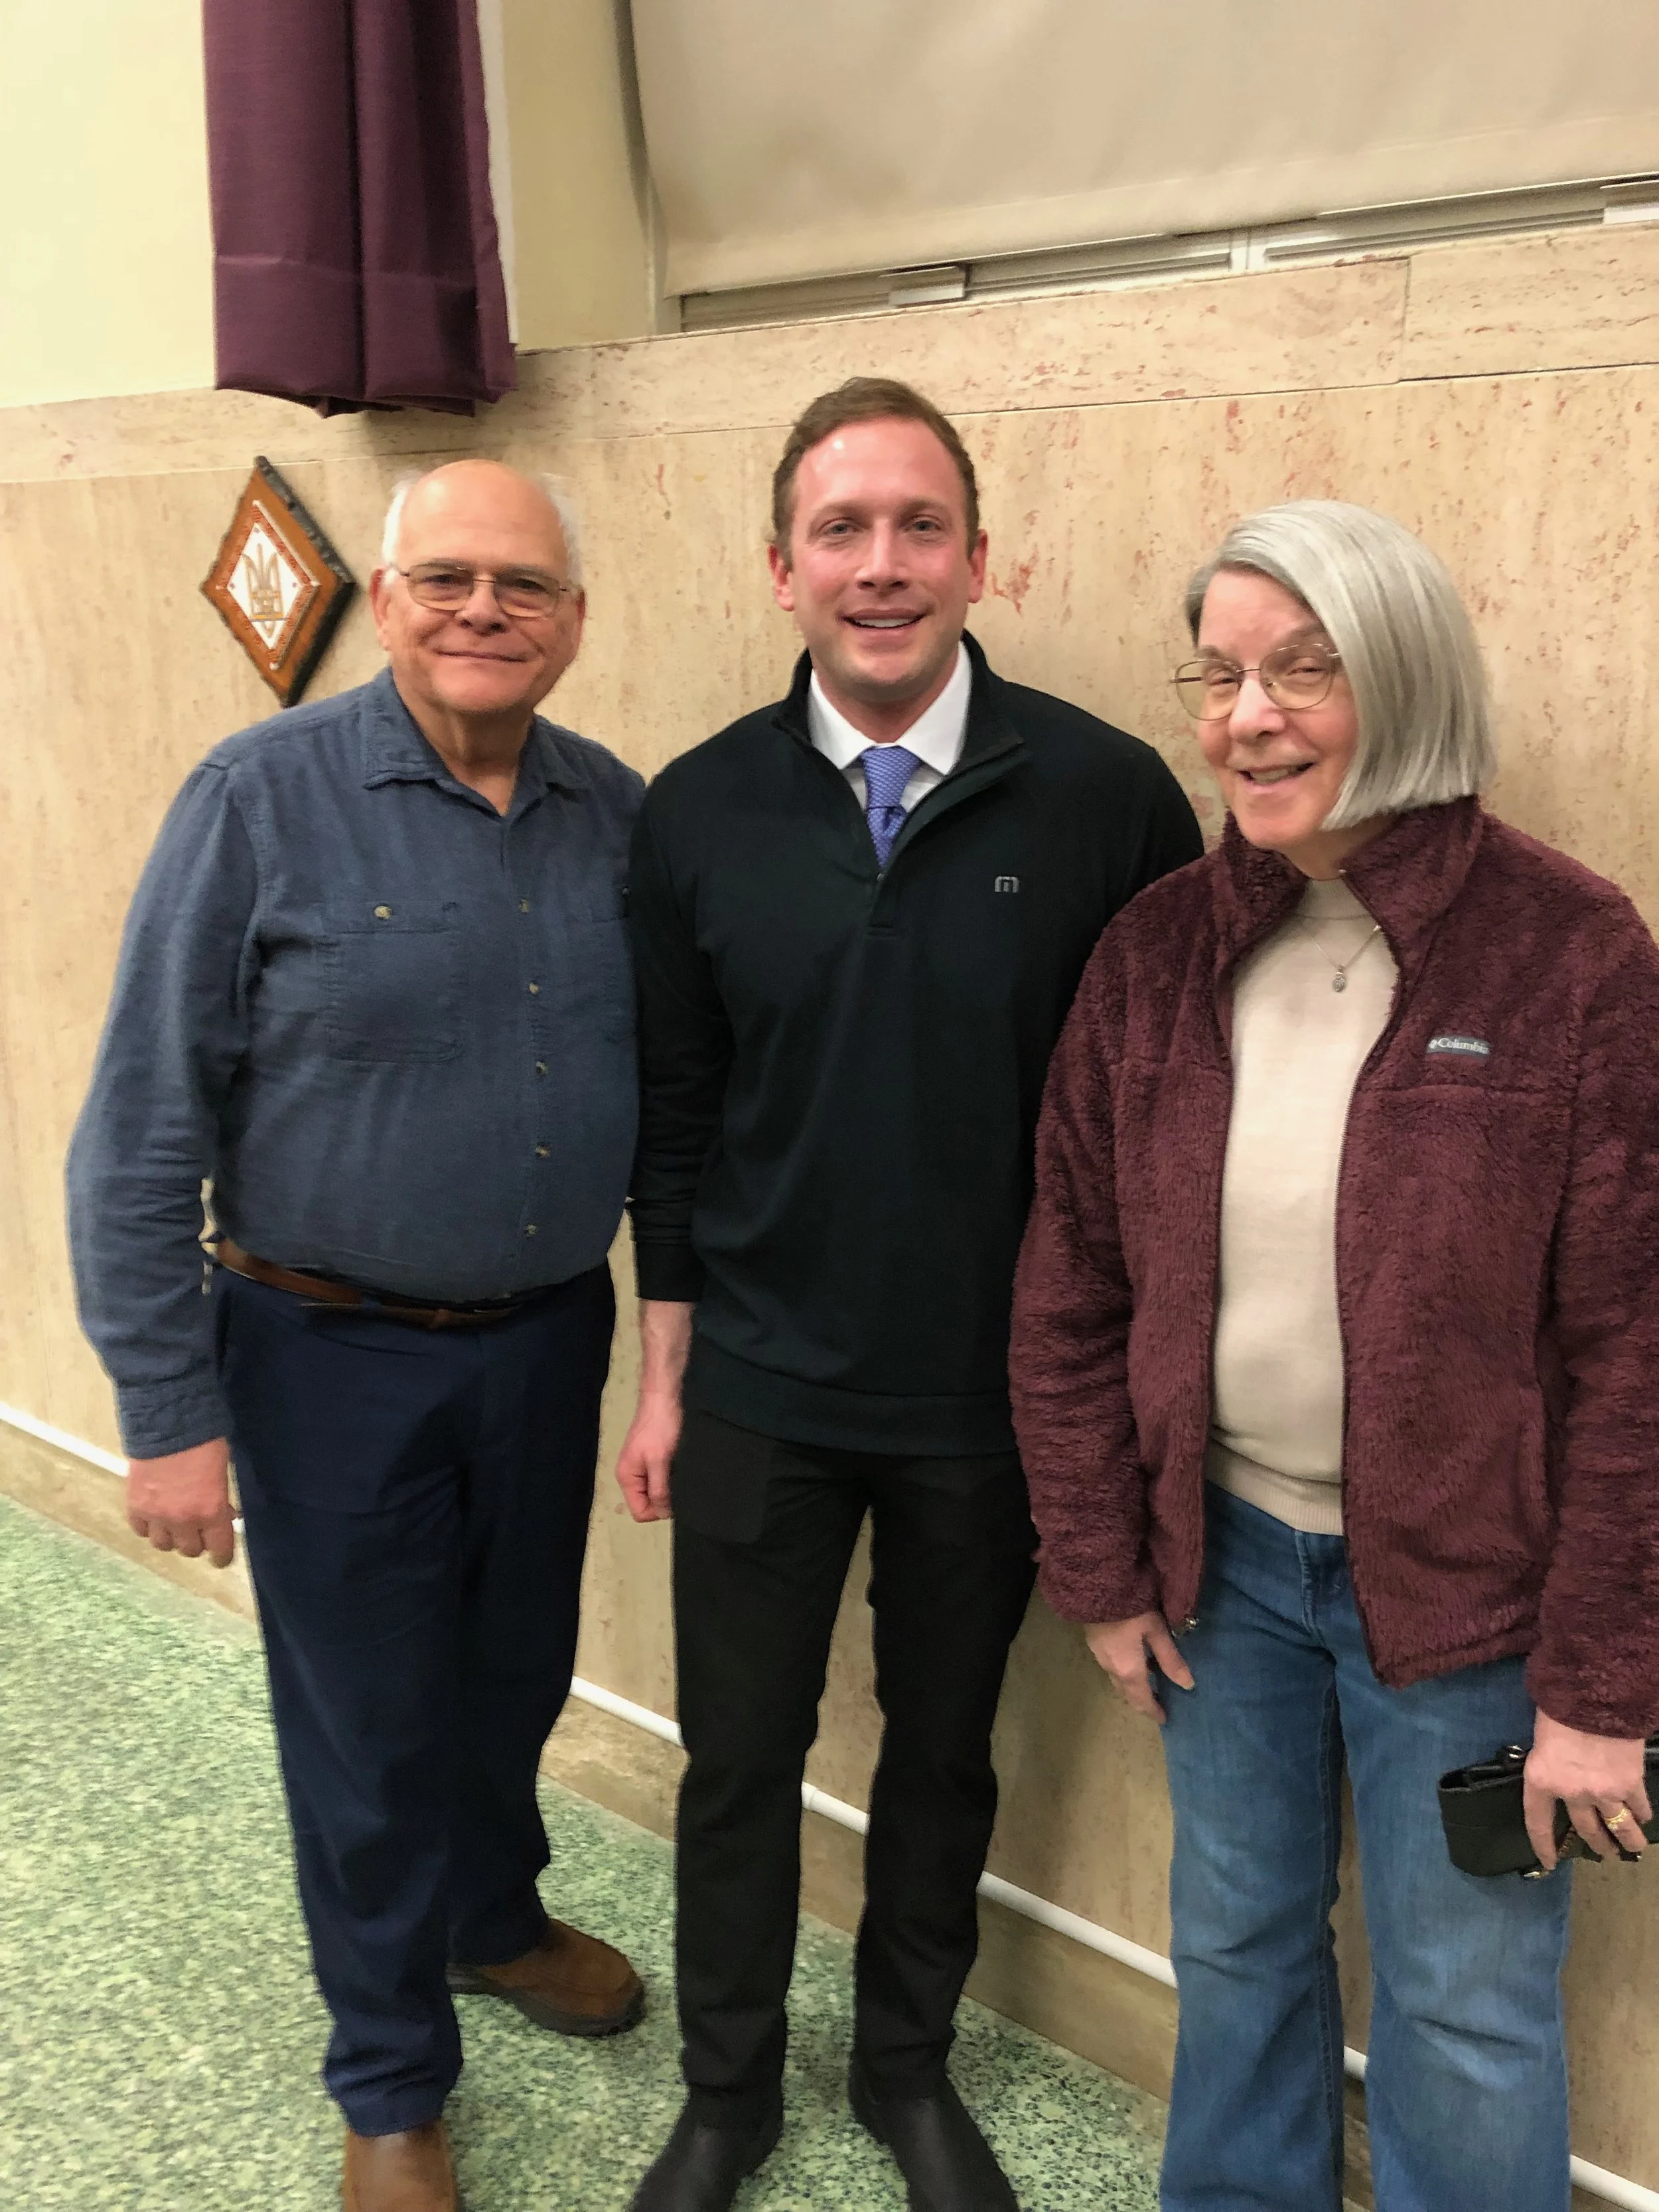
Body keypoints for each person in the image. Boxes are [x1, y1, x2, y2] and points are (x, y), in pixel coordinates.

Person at [1009, 498, 1659, 2212]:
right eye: (1217, 675)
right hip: (1220, 1572)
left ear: (1406, 681)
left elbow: (1634, 1351)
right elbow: (1069, 1273)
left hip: (1469, 1616)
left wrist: (1600, 1690)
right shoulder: (1155, 954)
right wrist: (1099, 1555)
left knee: (1464, 2002)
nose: (1247, 716)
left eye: (1304, 669)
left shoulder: (1569, 954)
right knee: (1232, 1947)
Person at [617, 376, 1202, 2212]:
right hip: (761, 1393)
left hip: (994, 1403)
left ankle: (902, 2066)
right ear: (779, 566)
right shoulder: (695, 810)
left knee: (943, 1751)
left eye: (918, 525)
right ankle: (727, 2088)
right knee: (738, 1758)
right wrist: (663, 1378)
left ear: (983, 552)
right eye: (841, 530)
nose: (882, 566)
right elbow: (679, 1120)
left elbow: (1156, 1124)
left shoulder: (1108, 799)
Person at [67, 461, 646, 2212]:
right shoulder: (257, 799)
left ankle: (486, 1917)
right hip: (324, 1357)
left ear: (573, 619)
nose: (485, 610)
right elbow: (141, 1127)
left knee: (511, 1673)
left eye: (523, 584)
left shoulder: (611, 812)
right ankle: (391, 2075)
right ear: (386, 601)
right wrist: (165, 1410)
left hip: (548, 1338)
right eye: (447, 577)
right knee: (368, 1726)